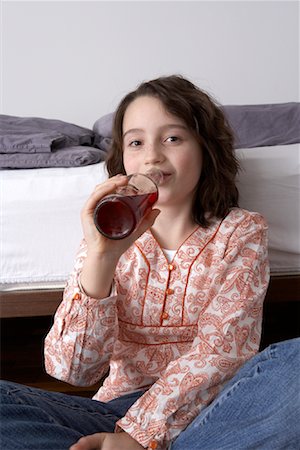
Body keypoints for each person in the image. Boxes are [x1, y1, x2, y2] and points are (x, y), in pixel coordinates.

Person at [1, 75, 274, 449]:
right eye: (136, 142)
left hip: (211, 415)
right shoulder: (103, 238)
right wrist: (102, 256)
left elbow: (223, 353)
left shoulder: (241, 232)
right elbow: (72, 371)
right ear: (123, 158)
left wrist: (138, 438)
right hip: (112, 415)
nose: (152, 156)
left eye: (172, 138)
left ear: (205, 148)